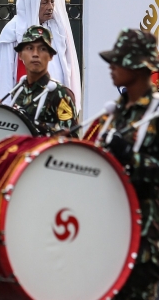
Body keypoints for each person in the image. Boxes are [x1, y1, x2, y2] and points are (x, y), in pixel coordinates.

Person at [96, 29, 159, 300]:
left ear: (138, 66)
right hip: (108, 230)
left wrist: (128, 157)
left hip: (143, 238)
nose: (111, 67)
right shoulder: (115, 113)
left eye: (118, 61)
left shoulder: (155, 114)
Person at [0, 0, 81, 112]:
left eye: (52, 1)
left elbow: (68, 63)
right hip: (24, 105)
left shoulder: (56, 28)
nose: (50, 7)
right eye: (45, 2)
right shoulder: (13, 30)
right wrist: (5, 111)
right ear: (33, 4)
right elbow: (4, 76)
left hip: (56, 100)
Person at [10, 25, 79, 136]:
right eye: (29, 48)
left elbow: (71, 140)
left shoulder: (60, 94)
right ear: (20, 55)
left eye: (42, 49)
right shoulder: (18, 90)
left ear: (51, 56)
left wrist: (44, 131)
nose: (35, 54)